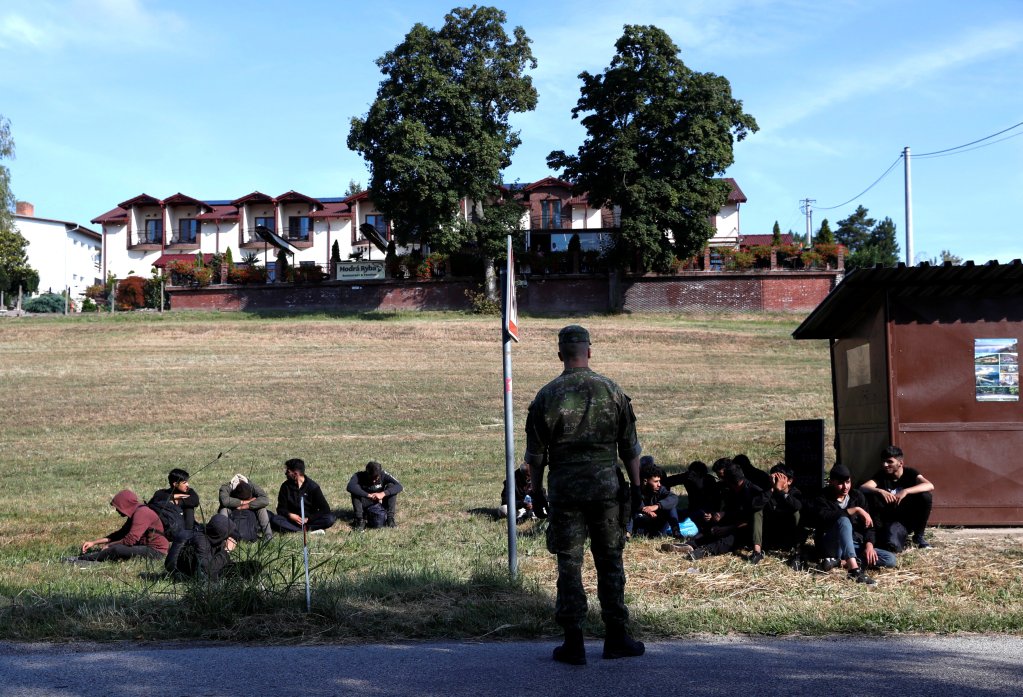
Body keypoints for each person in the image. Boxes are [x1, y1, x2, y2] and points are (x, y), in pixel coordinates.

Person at [525, 324, 645, 665]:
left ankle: (573, 641)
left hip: (565, 490)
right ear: (589, 352)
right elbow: (630, 449)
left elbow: (535, 457)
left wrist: (537, 491)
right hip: (606, 488)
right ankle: (617, 636)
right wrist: (636, 489)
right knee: (609, 561)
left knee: (569, 563)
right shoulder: (612, 391)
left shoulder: (546, 396)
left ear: (560, 354)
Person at [807, 464, 896, 585]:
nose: (845, 487)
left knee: (890, 559)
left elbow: (869, 526)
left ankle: (839, 562)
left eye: (848, 482)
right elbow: (824, 517)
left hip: (854, 545)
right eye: (840, 483)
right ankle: (854, 570)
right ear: (831, 482)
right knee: (844, 520)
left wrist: (869, 545)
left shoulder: (857, 496)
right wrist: (855, 510)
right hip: (832, 544)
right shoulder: (821, 498)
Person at [667, 461, 764, 559]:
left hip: (743, 529)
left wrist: (728, 527)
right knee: (712, 530)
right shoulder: (727, 488)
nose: (722, 480)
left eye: (723, 477)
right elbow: (730, 510)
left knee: (729, 539)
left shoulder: (753, 492)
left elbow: (751, 520)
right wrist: (716, 515)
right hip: (730, 522)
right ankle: (690, 545)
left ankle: (704, 551)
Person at [860, 445, 935, 550]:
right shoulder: (881, 475)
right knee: (891, 545)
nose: (885, 465)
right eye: (883, 462)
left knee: (925, 496)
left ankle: (918, 536)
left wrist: (906, 491)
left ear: (900, 463)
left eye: (890, 462)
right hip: (890, 520)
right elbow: (863, 487)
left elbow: (930, 485)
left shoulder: (910, 473)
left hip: (907, 519)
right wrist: (880, 491)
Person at [75, 490, 169, 562]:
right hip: (145, 546)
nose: (117, 510)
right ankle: (95, 556)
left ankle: (83, 559)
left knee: (117, 549)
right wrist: (94, 542)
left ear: (125, 505)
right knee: (115, 547)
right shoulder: (136, 512)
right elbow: (120, 534)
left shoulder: (141, 513)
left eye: (118, 507)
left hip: (156, 552)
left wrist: (109, 545)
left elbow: (130, 540)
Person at [750, 463, 804, 564]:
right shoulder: (766, 490)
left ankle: (797, 553)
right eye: (775, 477)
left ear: (789, 481)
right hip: (770, 533)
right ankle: (757, 552)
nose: (777, 481)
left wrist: (781, 491)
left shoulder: (795, 492)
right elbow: (754, 505)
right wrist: (772, 489)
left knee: (796, 513)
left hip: (787, 534)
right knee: (757, 510)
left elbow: (798, 506)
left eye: (780, 478)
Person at [165, 513, 237, 581]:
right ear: (219, 534)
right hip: (186, 574)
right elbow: (207, 571)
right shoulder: (201, 542)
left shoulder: (212, 537)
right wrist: (227, 550)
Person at [271, 458, 336, 533]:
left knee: (330, 519)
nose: (286, 473)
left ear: (295, 474)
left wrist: (309, 519)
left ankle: (299, 530)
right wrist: (290, 515)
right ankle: (304, 531)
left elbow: (325, 509)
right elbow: (281, 509)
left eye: (288, 471)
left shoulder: (313, 487)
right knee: (275, 519)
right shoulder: (285, 487)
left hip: (309, 521)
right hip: (292, 521)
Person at [628, 461, 680, 538]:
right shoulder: (634, 491)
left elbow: (674, 498)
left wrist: (656, 506)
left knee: (671, 506)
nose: (659, 484)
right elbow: (633, 505)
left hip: (656, 526)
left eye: (659, 481)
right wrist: (644, 510)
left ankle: (676, 532)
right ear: (645, 481)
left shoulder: (660, 490)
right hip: (639, 526)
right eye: (656, 481)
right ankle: (627, 534)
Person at [346, 460, 403, 530]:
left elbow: (399, 486)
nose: (373, 481)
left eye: (376, 478)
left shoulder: (384, 474)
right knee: (355, 491)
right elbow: (350, 487)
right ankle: (360, 520)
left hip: (379, 503)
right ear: (366, 473)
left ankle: (390, 518)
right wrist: (368, 495)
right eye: (371, 478)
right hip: (365, 503)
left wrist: (383, 494)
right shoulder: (359, 475)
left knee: (391, 486)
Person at [218, 474, 273, 542]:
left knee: (262, 508)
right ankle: (222, 538)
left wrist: (247, 505)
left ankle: (268, 536)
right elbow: (225, 501)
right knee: (223, 510)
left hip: (250, 508)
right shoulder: (226, 487)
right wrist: (244, 502)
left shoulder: (252, 486)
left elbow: (265, 500)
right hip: (232, 508)